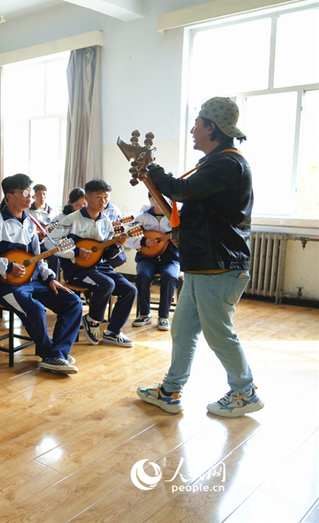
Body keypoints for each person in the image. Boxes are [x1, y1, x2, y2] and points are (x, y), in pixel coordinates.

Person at [137, 96, 263, 418]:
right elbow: (204, 211)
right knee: (183, 329)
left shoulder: (226, 163)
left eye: (197, 124)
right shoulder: (216, 162)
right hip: (202, 265)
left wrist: (151, 167)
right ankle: (170, 390)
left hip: (219, 266)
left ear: (212, 127)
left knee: (219, 334)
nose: (193, 130)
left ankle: (244, 392)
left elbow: (180, 191)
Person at [0, 174, 84, 374]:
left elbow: (37, 257)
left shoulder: (31, 221)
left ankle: (57, 353)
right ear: (8, 197)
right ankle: (52, 354)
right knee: (37, 310)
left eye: (29, 191)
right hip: (5, 286)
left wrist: (50, 278)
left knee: (73, 302)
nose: (29, 196)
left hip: (32, 281)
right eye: (24, 192)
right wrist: (5, 267)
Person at [50, 179, 137, 348]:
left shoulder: (106, 221)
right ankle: (93, 320)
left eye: (106, 197)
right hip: (77, 270)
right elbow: (51, 244)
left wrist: (117, 244)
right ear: (87, 198)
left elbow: (106, 254)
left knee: (130, 290)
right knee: (107, 284)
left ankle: (113, 331)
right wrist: (75, 252)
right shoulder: (71, 219)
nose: (103, 201)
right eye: (98, 197)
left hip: (100, 267)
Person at [125, 194, 180, 331]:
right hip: (147, 258)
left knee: (170, 276)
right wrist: (144, 241)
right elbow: (129, 237)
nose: (160, 200)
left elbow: (188, 235)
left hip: (170, 258)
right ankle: (144, 314)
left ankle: (163, 317)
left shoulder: (175, 217)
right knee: (143, 275)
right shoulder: (143, 217)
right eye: (156, 197)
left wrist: (178, 242)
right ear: (150, 200)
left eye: (164, 197)